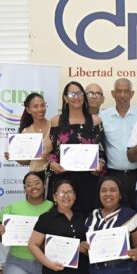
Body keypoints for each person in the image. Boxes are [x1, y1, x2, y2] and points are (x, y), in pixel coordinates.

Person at [48, 81, 106, 215]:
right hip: (64, 178)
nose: (76, 97)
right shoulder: (56, 121)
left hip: (89, 179)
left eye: (79, 93)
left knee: (88, 217)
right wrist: (52, 164)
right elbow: (52, 151)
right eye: (71, 94)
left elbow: (102, 150)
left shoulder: (95, 120)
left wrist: (100, 163)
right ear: (65, 98)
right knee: (64, 218)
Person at [100, 78, 137, 208]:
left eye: (126, 91)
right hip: (113, 176)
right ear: (113, 93)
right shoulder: (103, 116)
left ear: (132, 94)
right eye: (119, 91)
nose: (122, 95)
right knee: (115, 212)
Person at [4, 92, 52, 173]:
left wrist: (50, 156)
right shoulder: (26, 132)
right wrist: (14, 156)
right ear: (28, 110)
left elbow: (61, 154)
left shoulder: (54, 126)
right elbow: (27, 161)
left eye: (42, 105)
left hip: (54, 174)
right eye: (35, 106)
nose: (40, 109)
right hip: (35, 175)